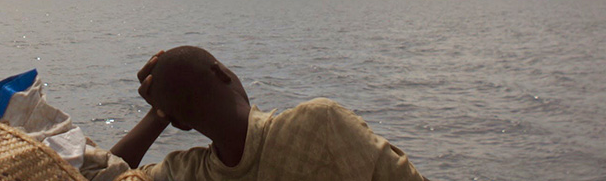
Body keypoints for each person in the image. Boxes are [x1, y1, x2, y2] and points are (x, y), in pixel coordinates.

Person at [110, 46, 428, 181]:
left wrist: (159, 115)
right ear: (222, 73)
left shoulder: (189, 173)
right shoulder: (322, 122)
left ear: (180, 124)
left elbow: (100, 174)